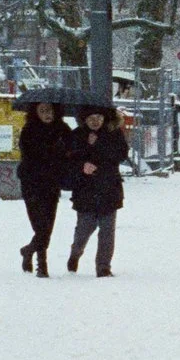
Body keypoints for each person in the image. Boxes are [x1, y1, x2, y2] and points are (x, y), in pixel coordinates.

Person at [65, 105, 128, 277]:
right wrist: (82, 165)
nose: (95, 121)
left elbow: (121, 155)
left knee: (107, 231)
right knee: (85, 229)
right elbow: (68, 160)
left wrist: (98, 144)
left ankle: (103, 267)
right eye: (91, 118)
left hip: (109, 188)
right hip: (85, 191)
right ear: (84, 119)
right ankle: (75, 253)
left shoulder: (114, 134)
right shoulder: (76, 135)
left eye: (99, 118)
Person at [15, 98, 71, 278]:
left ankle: (29, 251)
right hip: (32, 182)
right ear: (36, 112)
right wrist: (53, 149)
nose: (48, 114)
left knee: (47, 225)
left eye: (50, 110)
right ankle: (42, 265)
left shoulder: (63, 130)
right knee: (40, 225)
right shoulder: (29, 130)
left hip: (52, 182)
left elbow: (74, 148)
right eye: (43, 111)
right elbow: (30, 155)